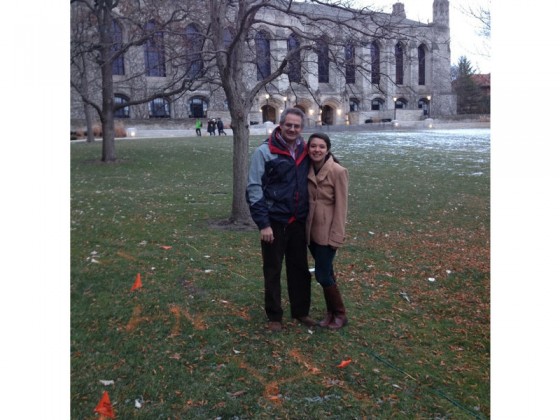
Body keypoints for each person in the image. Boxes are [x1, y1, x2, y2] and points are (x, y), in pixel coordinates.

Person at [246, 108, 316, 332]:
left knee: (300, 269)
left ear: (301, 128)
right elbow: (254, 188)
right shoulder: (265, 152)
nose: (292, 129)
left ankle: (301, 311)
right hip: (274, 222)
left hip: (298, 220)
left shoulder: (306, 150)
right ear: (281, 124)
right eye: (289, 125)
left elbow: (326, 164)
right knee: (273, 269)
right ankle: (274, 315)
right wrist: (263, 224)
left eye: (297, 126)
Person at [306, 132, 349, 330]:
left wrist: (337, 236)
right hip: (310, 231)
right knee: (327, 272)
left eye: (321, 146)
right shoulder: (307, 168)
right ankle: (331, 312)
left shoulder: (338, 171)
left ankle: (340, 313)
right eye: (313, 146)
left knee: (322, 275)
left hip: (328, 232)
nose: (317, 150)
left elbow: (342, 207)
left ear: (328, 149)